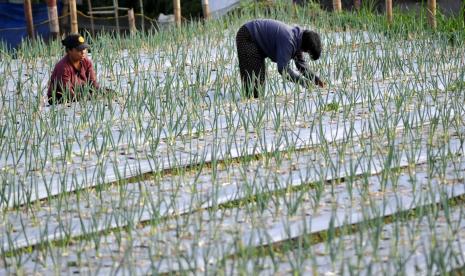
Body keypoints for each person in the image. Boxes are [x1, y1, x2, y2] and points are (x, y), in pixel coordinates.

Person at [236, 19, 326, 98]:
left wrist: (315, 79)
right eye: (306, 51)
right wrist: (302, 82)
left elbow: (301, 66)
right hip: (247, 36)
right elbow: (283, 69)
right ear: (305, 47)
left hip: (255, 37)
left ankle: (253, 100)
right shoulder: (289, 41)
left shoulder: (299, 38)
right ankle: (250, 105)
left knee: (259, 81)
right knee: (254, 79)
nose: (304, 53)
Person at [47, 34, 103, 104]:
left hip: (80, 90)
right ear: (69, 50)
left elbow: (93, 83)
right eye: (79, 50)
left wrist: (98, 92)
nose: (83, 52)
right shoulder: (63, 67)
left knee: (106, 92)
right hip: (60, 97)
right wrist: (89, 96)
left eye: (84, 49)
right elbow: (68, 93)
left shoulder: (87, 62)